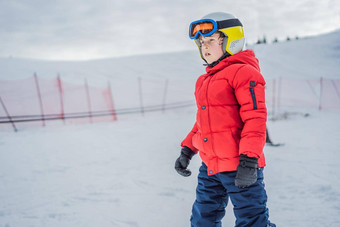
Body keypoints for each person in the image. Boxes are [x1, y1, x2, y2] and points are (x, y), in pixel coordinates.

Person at [175, 12, 275, 227]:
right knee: (203, 220)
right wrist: (187, 150)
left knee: (252, 220)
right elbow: (203, 122)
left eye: (211, 40)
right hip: (210, 167)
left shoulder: (244, 73)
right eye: (201, 42)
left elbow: (255, 119)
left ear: (231, 40)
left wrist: (249, 160)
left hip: (240, 165)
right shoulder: (204, 80)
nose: (205, 47)